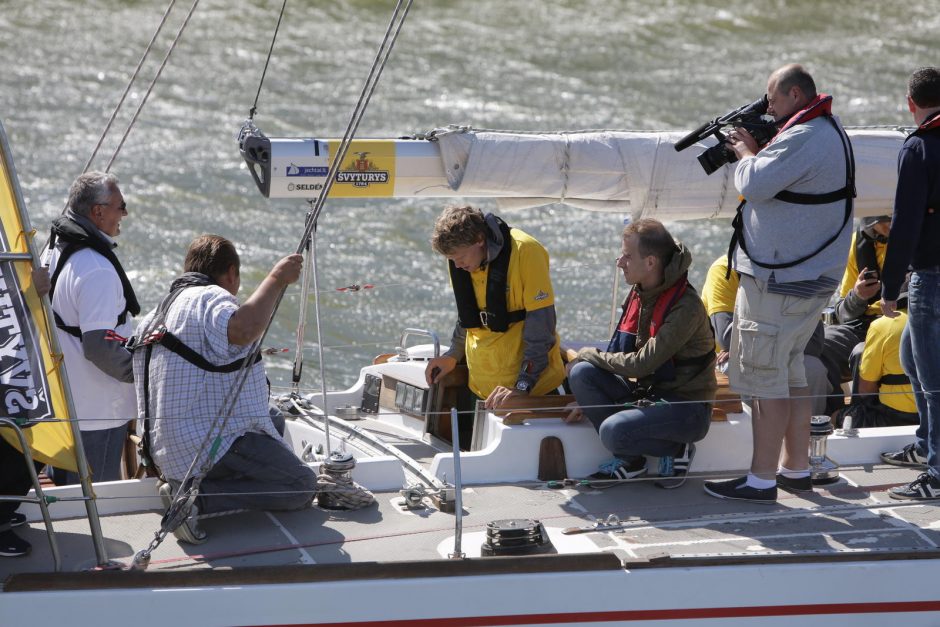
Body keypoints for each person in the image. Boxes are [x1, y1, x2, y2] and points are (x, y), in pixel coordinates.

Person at [704, 64, 854, 504]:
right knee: (791, 377)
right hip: (807, 280)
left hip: (781, 282)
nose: (767, 107)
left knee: (766, 380)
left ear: (793, 94)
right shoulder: (827, 127)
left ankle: (761, 480)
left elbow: (753, 181)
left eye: (771, 99)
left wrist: (746, 152)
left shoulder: (805, 136)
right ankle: (796, 469)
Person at [132, 235, 317, 543]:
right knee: (301, 485)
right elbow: (243, 330)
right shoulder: (208, 298)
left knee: (273, 419)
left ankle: (197, 485)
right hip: (201, 443)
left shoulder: (156, 314)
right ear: (231, 273)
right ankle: (197, 501)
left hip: (163, 448)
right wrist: (276, 279)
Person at [565, 219, 716, 487]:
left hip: (686, 408)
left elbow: (641, 365)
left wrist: (587, 353)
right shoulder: (640, 293)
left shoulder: (686, 306)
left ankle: (677, 449)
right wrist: (585, 398)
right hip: (648, 396)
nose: (619, 262)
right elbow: (615, 351)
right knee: (582, 373)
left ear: (650, 262)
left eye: (627, 255)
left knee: (613, 431)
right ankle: (631, 461)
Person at [43, 171, 138, 484]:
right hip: (99, 412)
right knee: (97, 501)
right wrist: (143, 374)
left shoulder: (54, 250)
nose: (124, 213)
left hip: (65, 403)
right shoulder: (96, 270)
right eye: (120, 206)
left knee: (68, 496)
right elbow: (99, 348)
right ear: (98, 211)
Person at [424, 205, 565, 410]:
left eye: (460, 258)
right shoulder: (460, 259)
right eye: (451, 260)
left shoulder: (526, 251)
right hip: (480, 388)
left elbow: (541, 327)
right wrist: (452, 355)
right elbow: (469, 312)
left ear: (480, 239)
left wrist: (522, 386)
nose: (457, 266)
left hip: (530, 392)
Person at [878, 67, 940, 500]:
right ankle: (926, 446)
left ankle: (937, 473)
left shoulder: (919, 147)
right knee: (912, 360)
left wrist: (888, 286)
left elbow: (905, 224)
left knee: (933, 376)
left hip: (932, 277)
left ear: (910, 103)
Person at [700, 255, 830, 419]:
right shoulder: (725, 269)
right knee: (745, 371)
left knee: (813, 368)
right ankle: (752, 436)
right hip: (735, 358)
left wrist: (757, 333)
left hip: (771, 350)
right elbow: (726, 337)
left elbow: (815, 343)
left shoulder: (800, 270)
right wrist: (787, 325)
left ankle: (813, 434)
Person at [820, 215, 893, 413]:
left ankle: (863, 416)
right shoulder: (856, 243)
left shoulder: (922, 240)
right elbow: (842, 313)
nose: (889, 224)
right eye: (882, 221)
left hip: (900, 323)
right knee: (822, 344)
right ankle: (833, 416)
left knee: (863, 352)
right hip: (864, 324)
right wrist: (858, 296)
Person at [833, 302, 918, 428]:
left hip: (891, 417)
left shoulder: (882, 325)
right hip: (933, 413)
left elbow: (865, 389)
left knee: (835, 417)